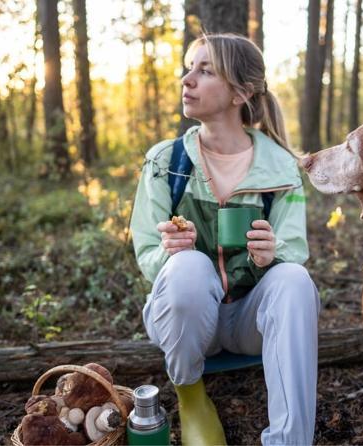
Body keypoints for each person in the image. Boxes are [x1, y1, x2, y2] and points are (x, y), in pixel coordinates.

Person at [129, 33, 320, 445]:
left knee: (295, 281)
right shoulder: (167, 162)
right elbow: (145, 249)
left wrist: (273, 255)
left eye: (205, 70)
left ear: (240, 92)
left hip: (246, 320)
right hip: (185, 320)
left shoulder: (282, 168)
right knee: (190, 266)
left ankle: (290, 439)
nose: (187, 79)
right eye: (189, 68)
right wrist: (171, 252)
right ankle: (190, 395)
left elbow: (294, 251)